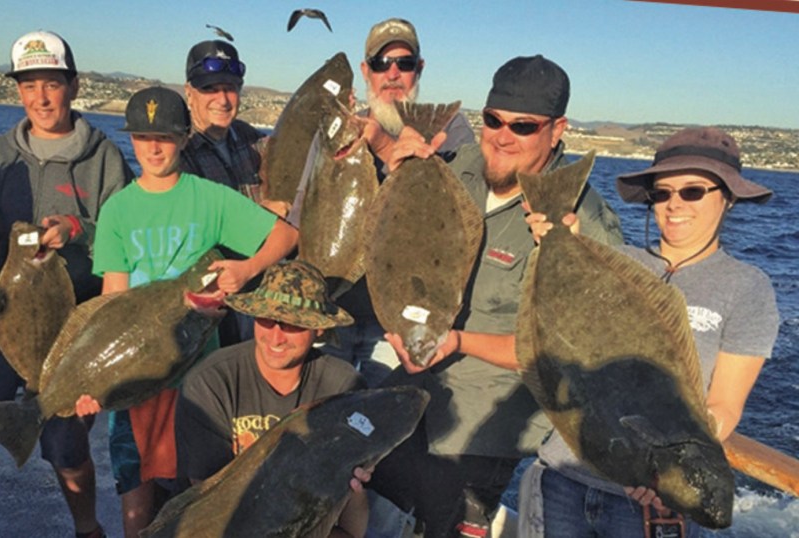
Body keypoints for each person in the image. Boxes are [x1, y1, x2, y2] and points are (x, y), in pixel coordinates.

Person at [372, 55, 624, 538]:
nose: (502, 135)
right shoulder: (454, 168)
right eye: (492, 120)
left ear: (556, 129)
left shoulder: (581, 221)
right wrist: (393, 169)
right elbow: (394, 248)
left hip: (480, 432)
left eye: (522, 126)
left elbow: (568, 353)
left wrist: (456, 341)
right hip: (408, 400)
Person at [520, 126, 779, 537]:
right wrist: (557, 242)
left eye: (693, 191)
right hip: (564, 478)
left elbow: (725, 407)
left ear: (727, 198)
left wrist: (668, 472)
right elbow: (560, 341)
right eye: (662, 193)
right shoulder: (613, 259)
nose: (674, 204)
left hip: (646, 508)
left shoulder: (748, 287)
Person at [73, 86, 299, 537]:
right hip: (136, 376)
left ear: (182, 137)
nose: (153, 148)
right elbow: (112, 303)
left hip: (201, 373)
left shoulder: (210, 198)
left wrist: (247, 267)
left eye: (165, 137)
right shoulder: (118, 210)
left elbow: (286, 237)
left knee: (202, 490)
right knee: (135, 489)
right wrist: (92, 381)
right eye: (141, 137)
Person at [0, 30, 132, 538]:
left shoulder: (105, 159)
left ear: (73, 86)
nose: (41, 98)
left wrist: (77, 231)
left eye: (52, 84)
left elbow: (124, 236)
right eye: (29, 86)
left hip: (70, 322)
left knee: (67, 441)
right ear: (18, 92)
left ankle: (87, 528)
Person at [313, 18, 476, 388]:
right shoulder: (342, 131)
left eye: (404, 64)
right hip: (335, 306)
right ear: (365, 70)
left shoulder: (452, 133)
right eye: (381, 63)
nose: (393, 74)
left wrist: (389, 149)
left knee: (381, 412)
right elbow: (309, 210)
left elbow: (464, 215)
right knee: (321, 405)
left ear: (419, 69)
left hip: (401, 320)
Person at [176, 260, 371, 536]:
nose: (276, 337)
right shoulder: (210, 383)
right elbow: (208, 501)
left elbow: (352, 513)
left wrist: (357, 486)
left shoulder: (345, 385)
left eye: (293, 324)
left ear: (319, 329)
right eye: (266, 319)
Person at [180, 39, 268, 347]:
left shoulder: (251, 138)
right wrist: (269, 215)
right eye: (210, 89)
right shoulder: (179, 152)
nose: (223, 98)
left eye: (230, 88)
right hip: (214, 299)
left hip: (262, 290)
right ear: (189, 93)